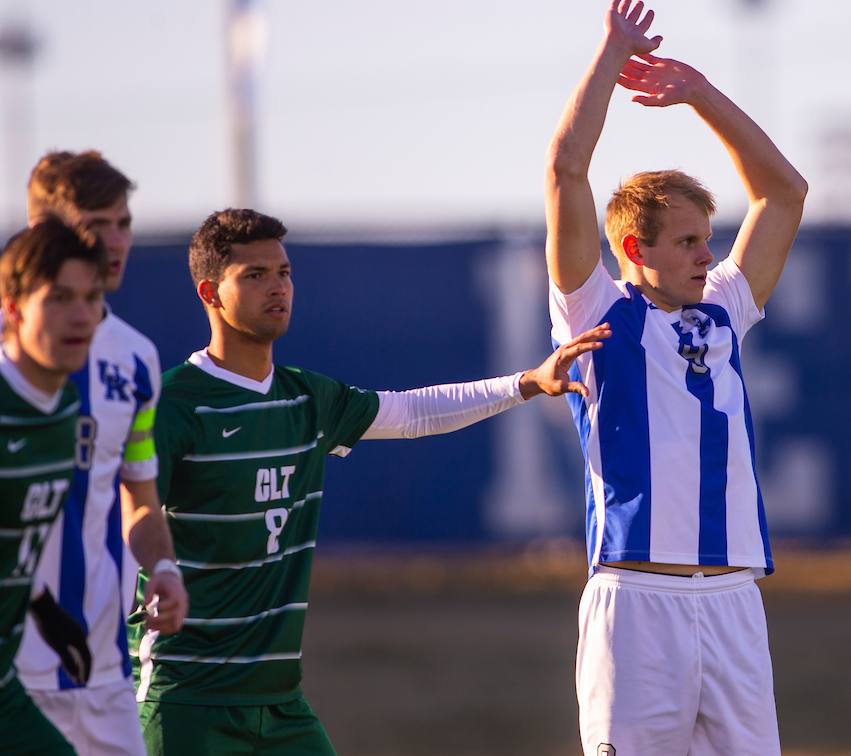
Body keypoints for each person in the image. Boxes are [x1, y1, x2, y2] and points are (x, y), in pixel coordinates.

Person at [131, 208, 609, 756]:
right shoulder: (172, 405)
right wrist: (158, 572)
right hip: (183, 696)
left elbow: (410, 414)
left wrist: (524, 383)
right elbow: (129, 515)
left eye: (283, 272)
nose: (278, 287)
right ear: (209, 293)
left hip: (279, 702)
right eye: (255, 276)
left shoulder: (307, 398)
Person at [544, 0, 809, 755]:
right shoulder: (597, 314)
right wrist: (608, 55)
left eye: (708, 239)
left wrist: (698, 93)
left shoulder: (724, 308)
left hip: (734, 599)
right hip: (637, 601)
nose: (706, 256)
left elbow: (783, 194)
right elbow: (566, 168)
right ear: (634, 247)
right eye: (688, 241)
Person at [17, 151, 187, 756]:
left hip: (105, 670)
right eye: (97, 223)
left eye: (124, 222)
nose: (116, 241)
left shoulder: (136, 359)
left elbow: (137, 495)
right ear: (45, 233)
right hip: (16, 676)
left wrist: (163, 568)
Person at [0, 218, 108, 755]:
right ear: (14, 307)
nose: (82, 315)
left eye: (93, 297)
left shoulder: (64, 405)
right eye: (60, 297)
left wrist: (43, 608)